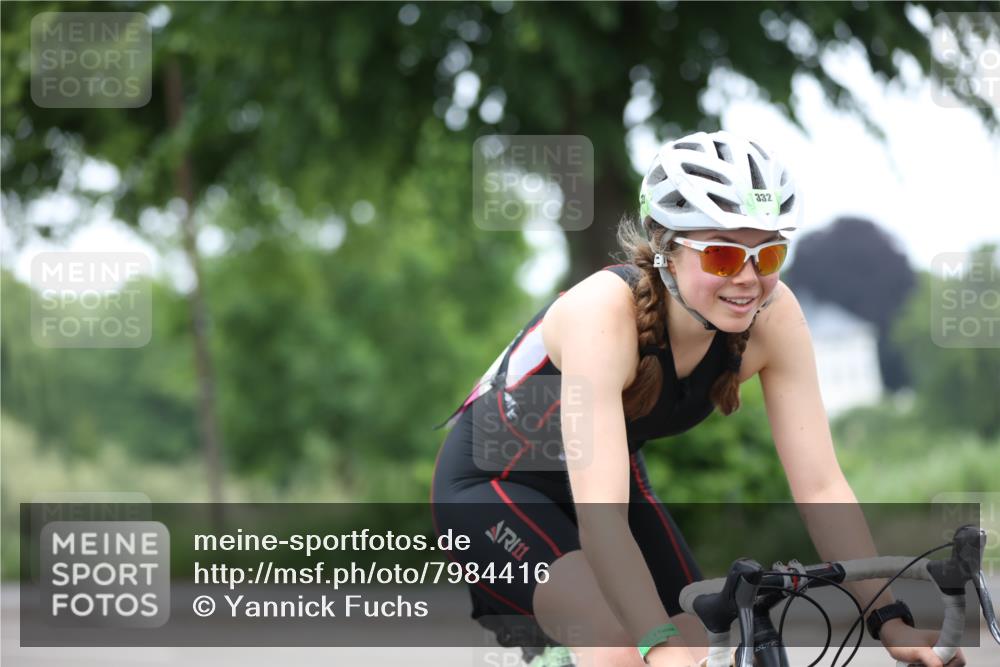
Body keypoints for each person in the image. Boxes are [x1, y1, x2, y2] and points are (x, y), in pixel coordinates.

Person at [431, 131, 963, 667]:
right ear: (666, 251)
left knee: (704, 643)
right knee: (620, 648)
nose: (750, 279)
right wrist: (655, 648)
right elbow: (603, 519)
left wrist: (889, 621)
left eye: (769, 252)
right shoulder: (603, 314)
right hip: (493, 485)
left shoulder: (774, 318)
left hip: (611, 480)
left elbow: (821, 484)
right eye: (724, 256)